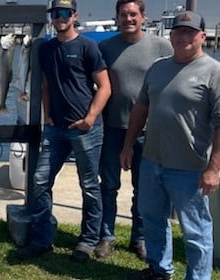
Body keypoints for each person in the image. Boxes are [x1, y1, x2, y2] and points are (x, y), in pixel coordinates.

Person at [122, 11, 220, 280]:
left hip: (190, 168)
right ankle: (159, 269)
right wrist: (128, 144)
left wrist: (214, 168)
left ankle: (198, 277)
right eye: (179, 31)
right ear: (171, 35)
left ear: (202, 36)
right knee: (152, 220)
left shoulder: (213, 71)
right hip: (152, 160)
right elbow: (141, 108)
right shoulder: (158, 67)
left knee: (196, 231)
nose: (184, 37)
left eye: (190, 32)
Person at [15, 0, 111, 263]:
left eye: (65, 13)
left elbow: (104, 87)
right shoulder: (46, 49)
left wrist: (90, 119)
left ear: (74, 16)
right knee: (40, 181)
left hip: (86, 130)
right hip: (56, 129)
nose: (60, 17)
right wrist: (47, 116)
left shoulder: (88, 47)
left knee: (90, 186)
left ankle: (88, 242)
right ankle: (42, 239)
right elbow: (45, 84)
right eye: (56, 13)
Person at [95, 0, 173, 260]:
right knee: (109, 185)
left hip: (147, 131)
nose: (128, 19)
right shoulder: (105, 48)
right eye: (123, 14)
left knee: (144, 188)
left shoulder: (161, 46)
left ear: (143, 17)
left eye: (133, 14)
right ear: (116, 18)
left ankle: (139, 237)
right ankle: (106, 236)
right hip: (112, 128)